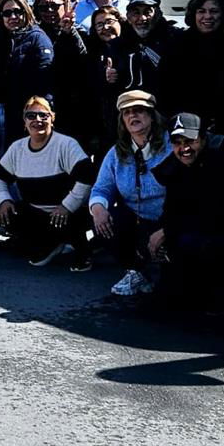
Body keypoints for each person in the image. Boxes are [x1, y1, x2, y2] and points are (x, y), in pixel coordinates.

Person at [149, 114, 224, 310]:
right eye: (177, 143)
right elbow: (172, 207)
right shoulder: (176, 167)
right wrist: (161, 232)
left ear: (202, 139)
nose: (184, 148)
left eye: (190, 141)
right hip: (200, 232)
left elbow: (221, 214)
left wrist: (169, 231)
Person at [0, 95, 96, 268]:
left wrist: (67, 206)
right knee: (10, 215)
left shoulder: (66, 144)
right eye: (31, 116)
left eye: (43, 115)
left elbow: (87, 177)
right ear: (24, 121)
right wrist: (4, 200)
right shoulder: (17, 148)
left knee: (72, 221)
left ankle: (80, 250)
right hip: (37, 212)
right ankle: (51, 244)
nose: (37, 120)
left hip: (68, 213)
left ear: (52, 118)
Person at [88, 89, 171, 296]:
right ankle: (135, 270)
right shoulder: (116, 153)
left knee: (172, 287)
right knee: (106, 221)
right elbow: (102, 188)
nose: (133, 116)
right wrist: (98, 209)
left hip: (171, 221)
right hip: (137, 221)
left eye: (139, 111)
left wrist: (168, 229)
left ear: (151, 116)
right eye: (127, 113)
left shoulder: (171, 147)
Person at [157, 0, 224, 134]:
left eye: (214, 11)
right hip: (183, 130)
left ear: (223, 15)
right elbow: (164, 90)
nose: (207, 16)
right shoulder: (176, 46)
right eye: (201, 11)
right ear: (193, 14)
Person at [32, 0, 96, 154]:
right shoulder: (32, 35)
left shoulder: (80, 33)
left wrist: (68, 31)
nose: (49, 11)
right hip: (43, 107)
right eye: (43, 7)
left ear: (66, 5)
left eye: (54, 6)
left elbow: (83, 59)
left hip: (74, 109)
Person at [0, 0, 54, 148]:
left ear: (26, 12)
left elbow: (46, 77)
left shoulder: (38, 38)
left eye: (17, 12)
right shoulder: (0, 40)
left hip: (31, 113)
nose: (13, 16)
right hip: (8, 111)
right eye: (7, 13)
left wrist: (37, 113)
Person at [86, 6, 130, 148]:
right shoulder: (94, 52)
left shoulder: (132, 46)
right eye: (99, 24)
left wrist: (119, 76)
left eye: (109, 21)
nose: (105, 27)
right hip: (104, 125)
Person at [122, 0, 177, 96]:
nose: (142, 18)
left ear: (157, 16)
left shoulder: (174, 39)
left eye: (147, 13)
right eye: (136, 13)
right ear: (129, 18)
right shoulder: (121, 42)